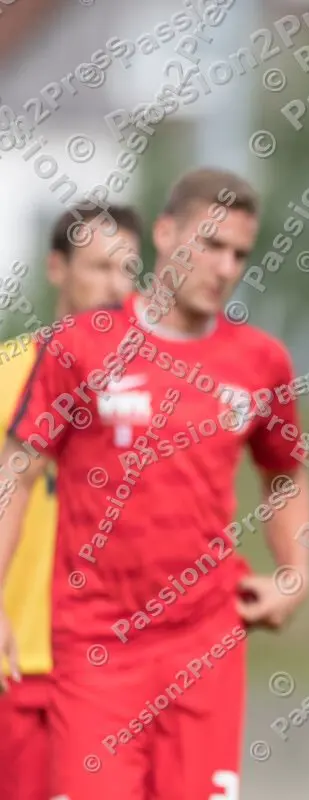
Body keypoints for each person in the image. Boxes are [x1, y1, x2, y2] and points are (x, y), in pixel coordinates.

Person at [0, 168, 309, 800]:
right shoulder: (81, 347)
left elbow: (284, 473)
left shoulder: (260, 361)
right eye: (210, 244)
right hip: (95, 647)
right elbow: (19, 471)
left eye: (238, 253)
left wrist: (295, 573)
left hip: (206, 644)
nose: (223, 267)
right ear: (166, 235)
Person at [0, 203, 143, 800]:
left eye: (129, 269)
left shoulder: (157, 389)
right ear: (57, 268)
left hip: (116, 666)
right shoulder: (8, 372)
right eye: (98, 267)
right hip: (18, 658)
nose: (115, 288)